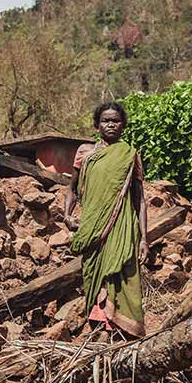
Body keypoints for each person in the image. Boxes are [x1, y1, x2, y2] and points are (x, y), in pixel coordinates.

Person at [64, 102, 148, 338]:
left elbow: (139, 200)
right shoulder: (84, 153)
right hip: (92, 228)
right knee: (94, 273)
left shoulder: (130, 155)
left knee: (123, 275)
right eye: (105, 121)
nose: (110, 124)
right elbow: (71, 189)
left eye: (115, 121)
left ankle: (123, 332)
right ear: (97, 125)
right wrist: (67, 216)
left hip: (122, 228)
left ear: (123, 126)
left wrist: (144, 239)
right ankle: (99, 328)